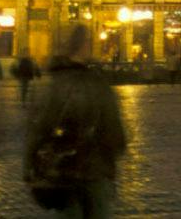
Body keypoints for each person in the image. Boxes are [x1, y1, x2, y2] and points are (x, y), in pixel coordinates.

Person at [24, 24, 127, 219]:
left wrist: (29, 165)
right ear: (84, 45)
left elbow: (37, 129)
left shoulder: (51, 82)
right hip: (95, 170)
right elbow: (115, 132)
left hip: (62, 171)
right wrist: (111, 158)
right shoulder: (97, 82)